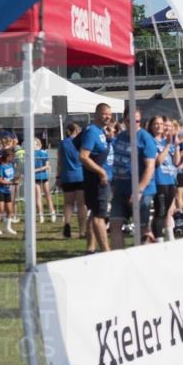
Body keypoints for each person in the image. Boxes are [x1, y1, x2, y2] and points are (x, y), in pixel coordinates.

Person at [109, 108, 158, 248]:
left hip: (142, 191)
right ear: (124, 121)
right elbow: (116, 160)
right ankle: (118, 258)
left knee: (142, 227)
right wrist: (113, 183)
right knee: (115, 224)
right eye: (130, 121)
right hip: (120, 190)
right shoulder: (120, 137)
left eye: (137, 121)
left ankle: (147, 254)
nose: (135, 124)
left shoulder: (145, 138)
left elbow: (150, 167)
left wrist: (139, 189)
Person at [78, 103, 113, 253]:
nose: (108, 117)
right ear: (97, 114)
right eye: (105, 114)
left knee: (94, 214)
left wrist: (110, 139)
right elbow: (83, 156)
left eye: (110, 115)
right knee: (99, 216)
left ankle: (90, 248)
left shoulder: (101, 132)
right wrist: (101, 172)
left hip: (101, 180)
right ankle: (106, 251)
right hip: (97, 181)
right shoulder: (92, 132)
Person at [150, 116, 179, 241]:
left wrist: (176, 146)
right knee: (160, 212)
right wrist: (168, 145)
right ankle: (159, 240)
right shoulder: (151, 141)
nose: (159, 126)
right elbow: (157, 161)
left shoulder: (166, 141)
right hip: (159, 181)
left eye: (161, 124)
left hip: (170, 180)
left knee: (168, 211)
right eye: (156, 124)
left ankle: (169, 237)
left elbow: (176, 161)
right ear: (151, 126)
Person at [58, 123, 87, 239]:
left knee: (68, 203)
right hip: (80, 175)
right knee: (81, 205)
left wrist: (58, 177)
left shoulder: (63, 143)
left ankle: (67, 224)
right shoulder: (82, 142)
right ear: (76, 130)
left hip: (67, 176)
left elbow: (59, 162)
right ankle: (82, 231)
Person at [0, 149, 18, 236]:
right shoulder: (1, 167)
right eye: (11, 156)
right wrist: (11, 182)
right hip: (0, 190)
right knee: (1, 209)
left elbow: (11, 177)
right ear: (7, 157)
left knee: (10, 210)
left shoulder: (10, 165)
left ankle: (8, 227)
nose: (13, 158)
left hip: (8, 191)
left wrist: (15, 179)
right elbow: (0, 180)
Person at [33, 138, 56, 224]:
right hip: (35, 177)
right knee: (38, 197)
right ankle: (41, 215)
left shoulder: (43, 153)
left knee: (47, 195)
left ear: (39, 145)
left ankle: (52, 212)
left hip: (43, 176)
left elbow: (47, 166)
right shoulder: (31, 154)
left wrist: (36, 170)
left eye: (34, 144)